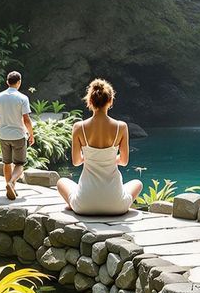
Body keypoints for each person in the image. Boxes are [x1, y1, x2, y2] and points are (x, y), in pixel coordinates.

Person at [57, 79, 143, 216]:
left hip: (84, 205)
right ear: (110, 101)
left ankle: (73, 204)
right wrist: (108, 159)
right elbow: (124, 161)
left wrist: (92, 158)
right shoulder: (121, 127)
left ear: (90, 101)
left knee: (62, 182)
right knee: (137, 183)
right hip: (116, 206)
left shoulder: (79, 127)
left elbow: (76, 161)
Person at [0, 70, 34, 200]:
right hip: (18, 135)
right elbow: (26, 120)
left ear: (7, 82)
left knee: (7, 163)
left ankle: (10, 187)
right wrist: (31, 135)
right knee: (19, 164)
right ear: (19, 82)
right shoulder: (22, 98)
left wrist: (0, 128)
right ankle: (11, 183)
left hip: (4, 135)